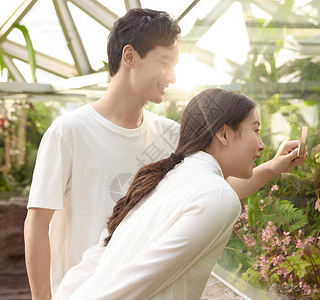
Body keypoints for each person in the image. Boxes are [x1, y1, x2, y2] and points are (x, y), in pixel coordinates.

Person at [25, 8, 305, 300]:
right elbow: (37, 222)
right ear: (129, 56)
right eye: (165, 62)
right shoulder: (69, 131)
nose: (172, 76)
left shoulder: (170, 134)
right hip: (78, 288)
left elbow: (217, 192)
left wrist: (273, 167)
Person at [52, 88, 305, 300]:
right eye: (256, 130)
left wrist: (273, 166)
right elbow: (140, 279)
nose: (261, 145)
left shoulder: (166, 178)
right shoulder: (213, 195)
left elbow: (94, 260)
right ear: (224, 133)